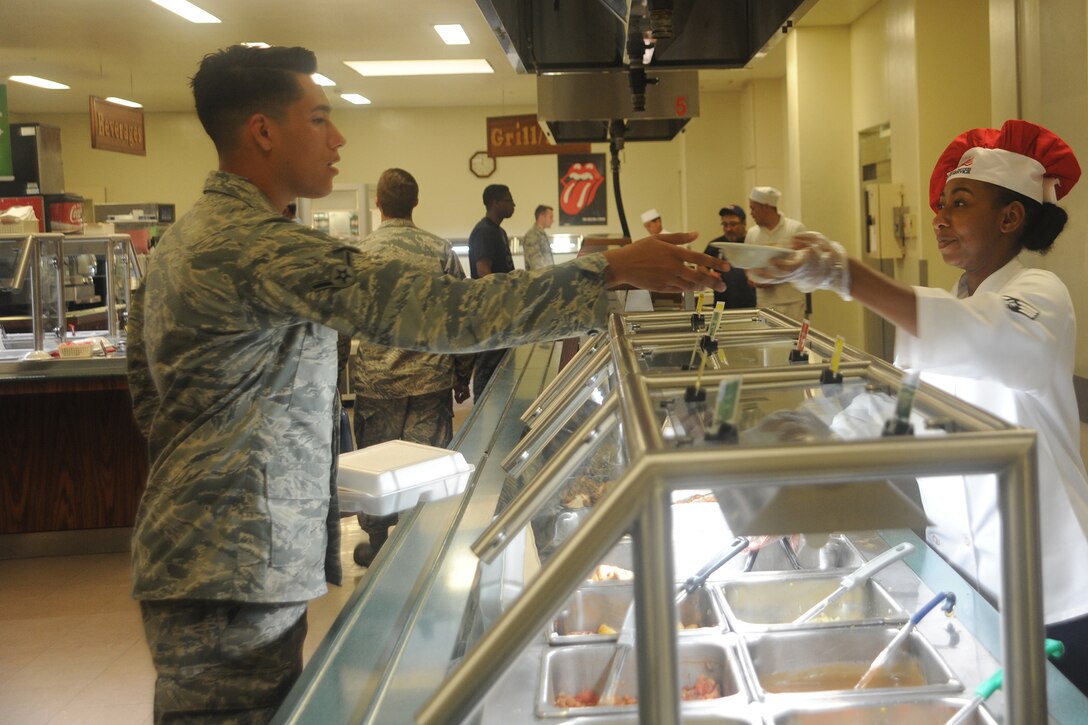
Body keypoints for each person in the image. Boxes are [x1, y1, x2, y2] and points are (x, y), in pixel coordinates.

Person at [125, 44, 728, 723]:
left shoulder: (179, 241)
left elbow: (149, 398)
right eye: (320, 118)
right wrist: (609, 270)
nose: (339, 137)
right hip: (232, 569)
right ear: (263, 130)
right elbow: (448, 313)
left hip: (205, 550)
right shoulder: (264, 246)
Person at [752, 119, 1088, 695]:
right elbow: (892, 410)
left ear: (1011, 218)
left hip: (1050, 588)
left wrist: (845, 274)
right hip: (964, 576)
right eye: (940, 204)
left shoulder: (1041, 295)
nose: (940, 217)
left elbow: (977, 337)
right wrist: (779, 470)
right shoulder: (957, 304)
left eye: (960, 203)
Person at [349, 168, 474, 567]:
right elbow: (463, 317)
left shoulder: (359, 252)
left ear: (378, 203)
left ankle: (377, 543)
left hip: (376, 383)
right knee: (425, 467)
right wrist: (461, 375)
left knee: (376, 466)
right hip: (429, 383)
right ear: (415, 202)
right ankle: (420, 550)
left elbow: (338, 321)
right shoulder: (439, 252)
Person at [467, 184, 516, 398]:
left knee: (503, 370)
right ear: (495, 203)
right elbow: (483, 271)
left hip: (503, 312)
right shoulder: (484, 232)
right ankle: (482, 420)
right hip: (491, 313)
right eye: (509, 200)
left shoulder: (500, 232)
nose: (513, 205)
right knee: (487, 370)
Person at [745, 186, 807, 321]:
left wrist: (776, 278)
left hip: (792, 302)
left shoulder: (795, 229)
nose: (751, 213)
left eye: (753, 208)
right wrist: (753, 278)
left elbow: (804, 266)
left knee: (794, 341)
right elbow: (747, 266)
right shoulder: (752, 234)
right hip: (765, 304)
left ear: (765, 207)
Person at [703, 204, 756, 309]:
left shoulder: (753, 242)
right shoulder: (716, 244)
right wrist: (709, 274)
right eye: (725, 224)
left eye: (733, 224)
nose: (728, 229)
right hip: (722, 306)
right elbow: (701, 267)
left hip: (752, 305)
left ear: (744, 223)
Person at [522, 204, 555, 270]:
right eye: (550, 217)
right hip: (539, 279)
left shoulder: (541, 234)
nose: (553, 220)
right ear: (541, 217)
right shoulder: (532, 235)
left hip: (547, 278)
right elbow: (536, 264)